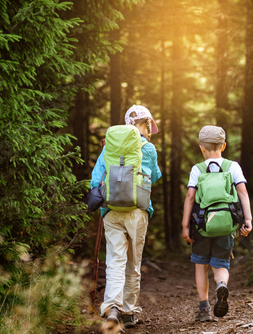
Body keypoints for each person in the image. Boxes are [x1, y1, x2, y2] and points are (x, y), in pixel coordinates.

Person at [90, 105, 161, 329]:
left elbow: (95, 180)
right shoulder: (147, 148)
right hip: (137, 211)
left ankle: (112, 307)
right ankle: (129, 312)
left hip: (111, 211)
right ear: (145, 124)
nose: (150, 132)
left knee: (115, 260)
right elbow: (154, 176)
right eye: (149, 126)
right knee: (134, 262)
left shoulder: (108, 147)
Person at [181, 125, 253, 322]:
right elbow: (243, 192)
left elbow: (190, 196)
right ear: (223, 146)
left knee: (201, 265)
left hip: (202, 227)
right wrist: (247, 220)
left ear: (201, 147)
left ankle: (204, 308)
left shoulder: (198, 169)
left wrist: (185, 226)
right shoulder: (233, 166)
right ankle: (221, 284)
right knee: (221, 264)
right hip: (226, 226)